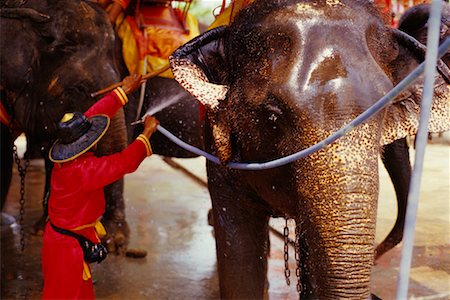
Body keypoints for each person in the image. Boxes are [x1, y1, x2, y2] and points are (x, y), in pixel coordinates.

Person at [41, 74, 159, 299]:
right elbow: (125, 162)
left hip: (63, 241)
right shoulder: (83, 171)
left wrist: (123, 91)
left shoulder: (67, 159)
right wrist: (146, 134)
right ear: (83, 144)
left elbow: (91, 115)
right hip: (68, 250)